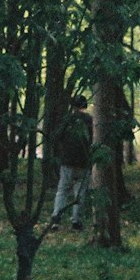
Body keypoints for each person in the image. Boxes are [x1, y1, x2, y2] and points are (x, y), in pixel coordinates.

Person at [52, 95, 93, 232]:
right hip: (84, 161)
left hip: (67, 161)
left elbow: (57, 136)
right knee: (79, 193)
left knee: (62, 191)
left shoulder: (67, 120)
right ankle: (76, 221)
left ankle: (56, 219)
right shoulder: (89, 120)